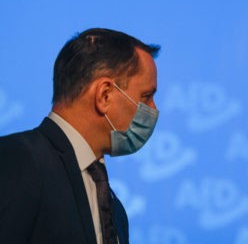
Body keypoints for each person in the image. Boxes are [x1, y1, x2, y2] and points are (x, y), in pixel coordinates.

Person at [0, 28, 161, 244]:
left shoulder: (116, 213)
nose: (153, 108)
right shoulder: (17, 160)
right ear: (104, 95)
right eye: (146, 96)